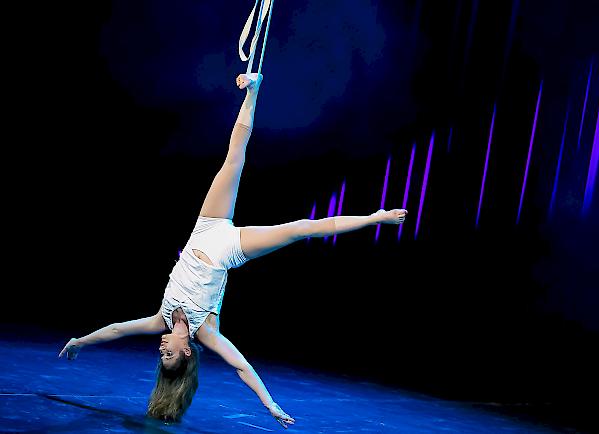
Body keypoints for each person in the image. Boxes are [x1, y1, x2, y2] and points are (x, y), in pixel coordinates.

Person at [59, 72, 408, 428]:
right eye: (168, 358)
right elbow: (241, 365)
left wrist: (80, 341)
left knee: (233, 158)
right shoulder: (205, 333)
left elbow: (116, 330)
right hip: (227, 250)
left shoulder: (158, 319)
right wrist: (269, 405)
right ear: (186, 355)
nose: (160, 352)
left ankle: (253, 90)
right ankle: (375, 217)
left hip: (204, 230)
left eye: (161, 357)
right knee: (301, 229)